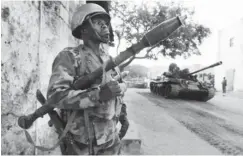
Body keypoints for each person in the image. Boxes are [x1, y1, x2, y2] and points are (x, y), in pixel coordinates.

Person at [46, 3, 127, 155]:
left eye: (106, 23)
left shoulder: (110, 60)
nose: (105, 27)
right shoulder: (70, 57)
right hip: (82, 143)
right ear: (83, 29)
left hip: (110, 139)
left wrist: (123, 115)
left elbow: (118, 92)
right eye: (98, 23)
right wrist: (97, 95)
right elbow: (55, 97)